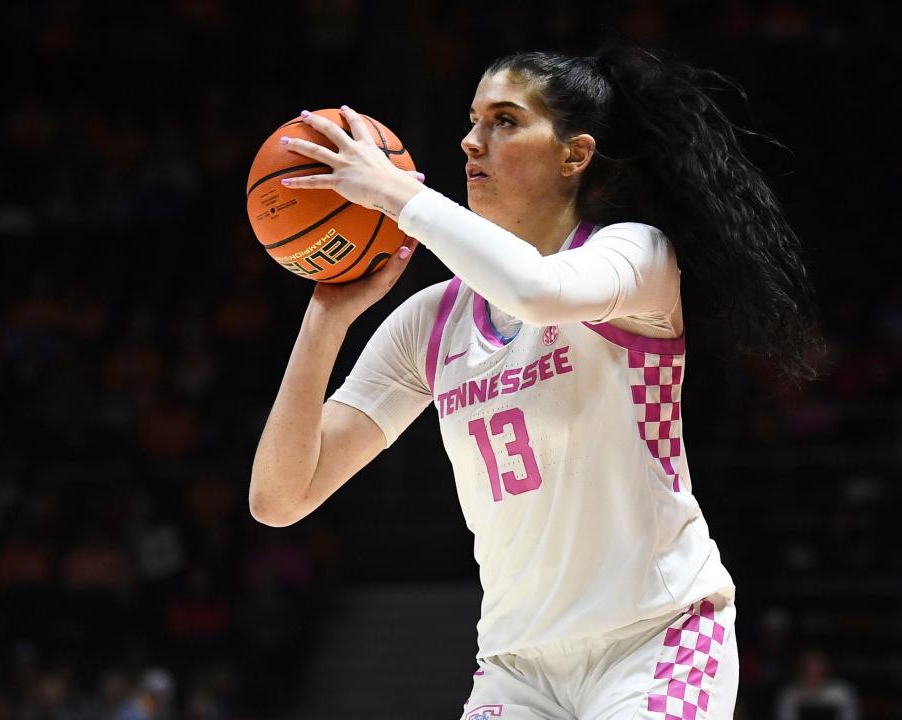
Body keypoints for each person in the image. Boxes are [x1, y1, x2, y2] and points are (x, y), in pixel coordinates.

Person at [250, 39, 820, 720]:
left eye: (505, 121)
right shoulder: (430, 324)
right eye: (471, 120)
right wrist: (325, 317)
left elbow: (534, 290)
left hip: (655, 641)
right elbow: (280, 498)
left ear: (574, 155)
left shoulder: (635, 257)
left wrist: (396, 195)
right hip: (519, 672)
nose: (471, 142)